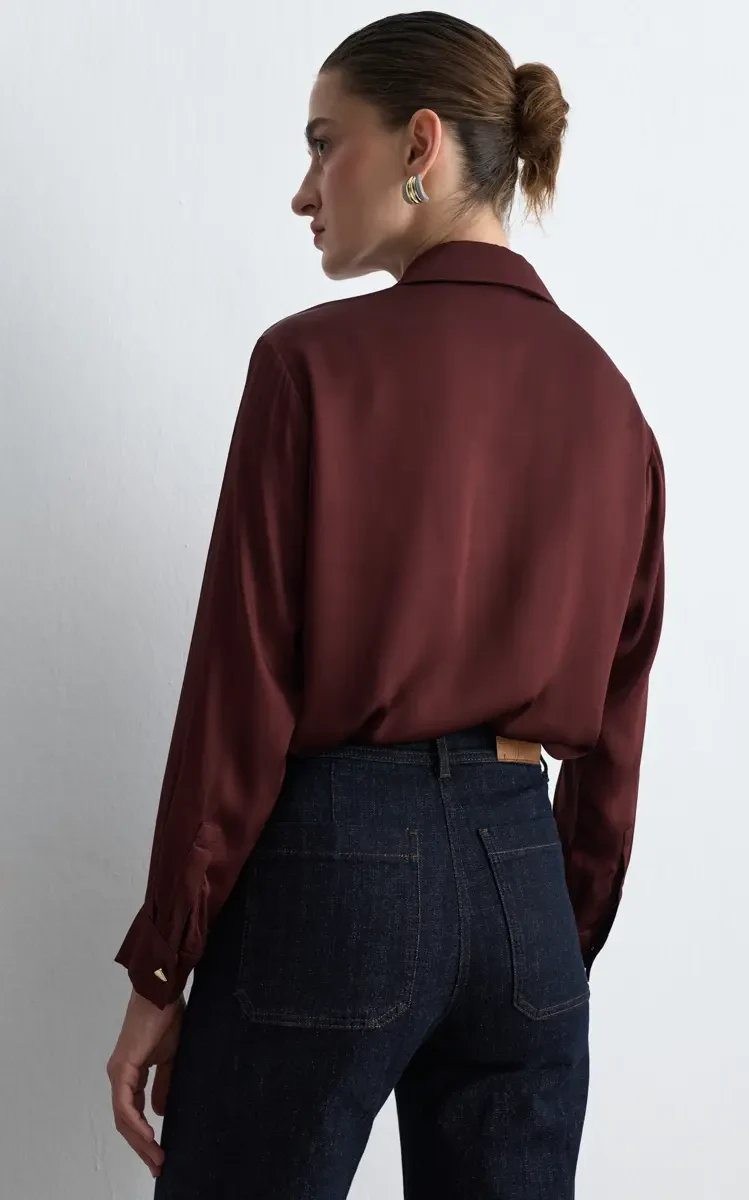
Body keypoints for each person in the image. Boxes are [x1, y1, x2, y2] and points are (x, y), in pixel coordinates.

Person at [107, 11, 665, 1199]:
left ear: (419, 143)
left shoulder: (309, 365)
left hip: (338, 867)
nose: (303, 191)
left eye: (325, 144)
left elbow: (237, 698)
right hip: (524, 880)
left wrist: (163, 964)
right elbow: (616, 729)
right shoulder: (611, 403)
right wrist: (549, 933)